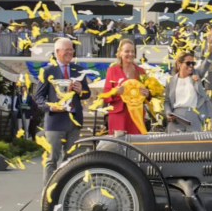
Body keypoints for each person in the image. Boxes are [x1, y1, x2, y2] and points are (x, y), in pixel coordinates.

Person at [35, 37, 91, 184]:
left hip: (74, 122)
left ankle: (66, 190)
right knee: (51, 159)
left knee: (72, 161)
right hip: (54, 122)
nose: (70, 53)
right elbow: (38, 98)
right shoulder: (46, 71)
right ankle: (49, 193)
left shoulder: (79, 70)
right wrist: (51, 107)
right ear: (57, 52)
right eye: (66, 50)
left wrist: (81, 91)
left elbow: (87, 94)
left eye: (71, 50)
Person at [163, 27, 212, 133]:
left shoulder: (197, 74)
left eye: (193, 63)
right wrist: (168, 114)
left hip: (193, 117)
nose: (191, 66)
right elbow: (167, 101)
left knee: (194, 143)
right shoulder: (171, 80)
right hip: (176, 118)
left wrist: (210, 43)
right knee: (173, 143)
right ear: (179, 64)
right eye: (188, 63)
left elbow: (207, 62)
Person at [103, 39, 150, 134]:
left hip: (137, 115)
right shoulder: (112, 70)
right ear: (120, 53)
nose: (130, 54)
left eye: (133, 51)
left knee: (136, 142)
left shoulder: (141, 71)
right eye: (127, 51)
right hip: (118, 115)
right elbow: (105, 96)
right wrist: (115, 92)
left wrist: (147, 94)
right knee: (118, 143)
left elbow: (148, 96)